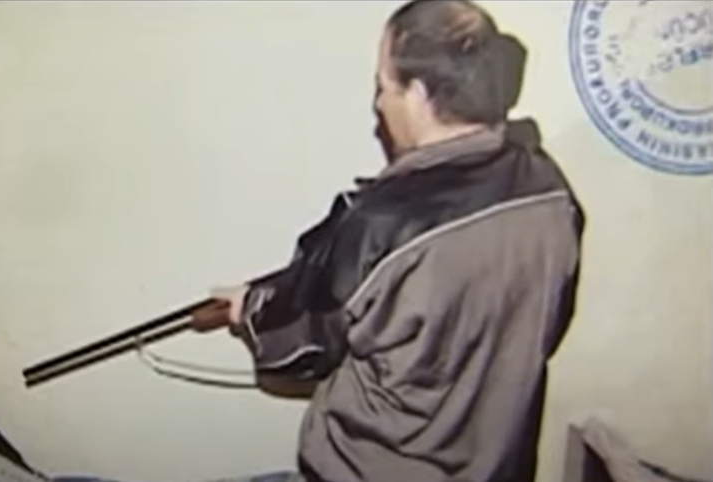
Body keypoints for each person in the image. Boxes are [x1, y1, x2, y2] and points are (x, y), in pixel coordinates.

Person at [191, 1, 585, 481]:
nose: (378, 103)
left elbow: (296, 352)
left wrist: (250, 307)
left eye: (383, 85)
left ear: (418, 94)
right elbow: (549, 318)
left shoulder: (380, 223)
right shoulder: (551, 190)